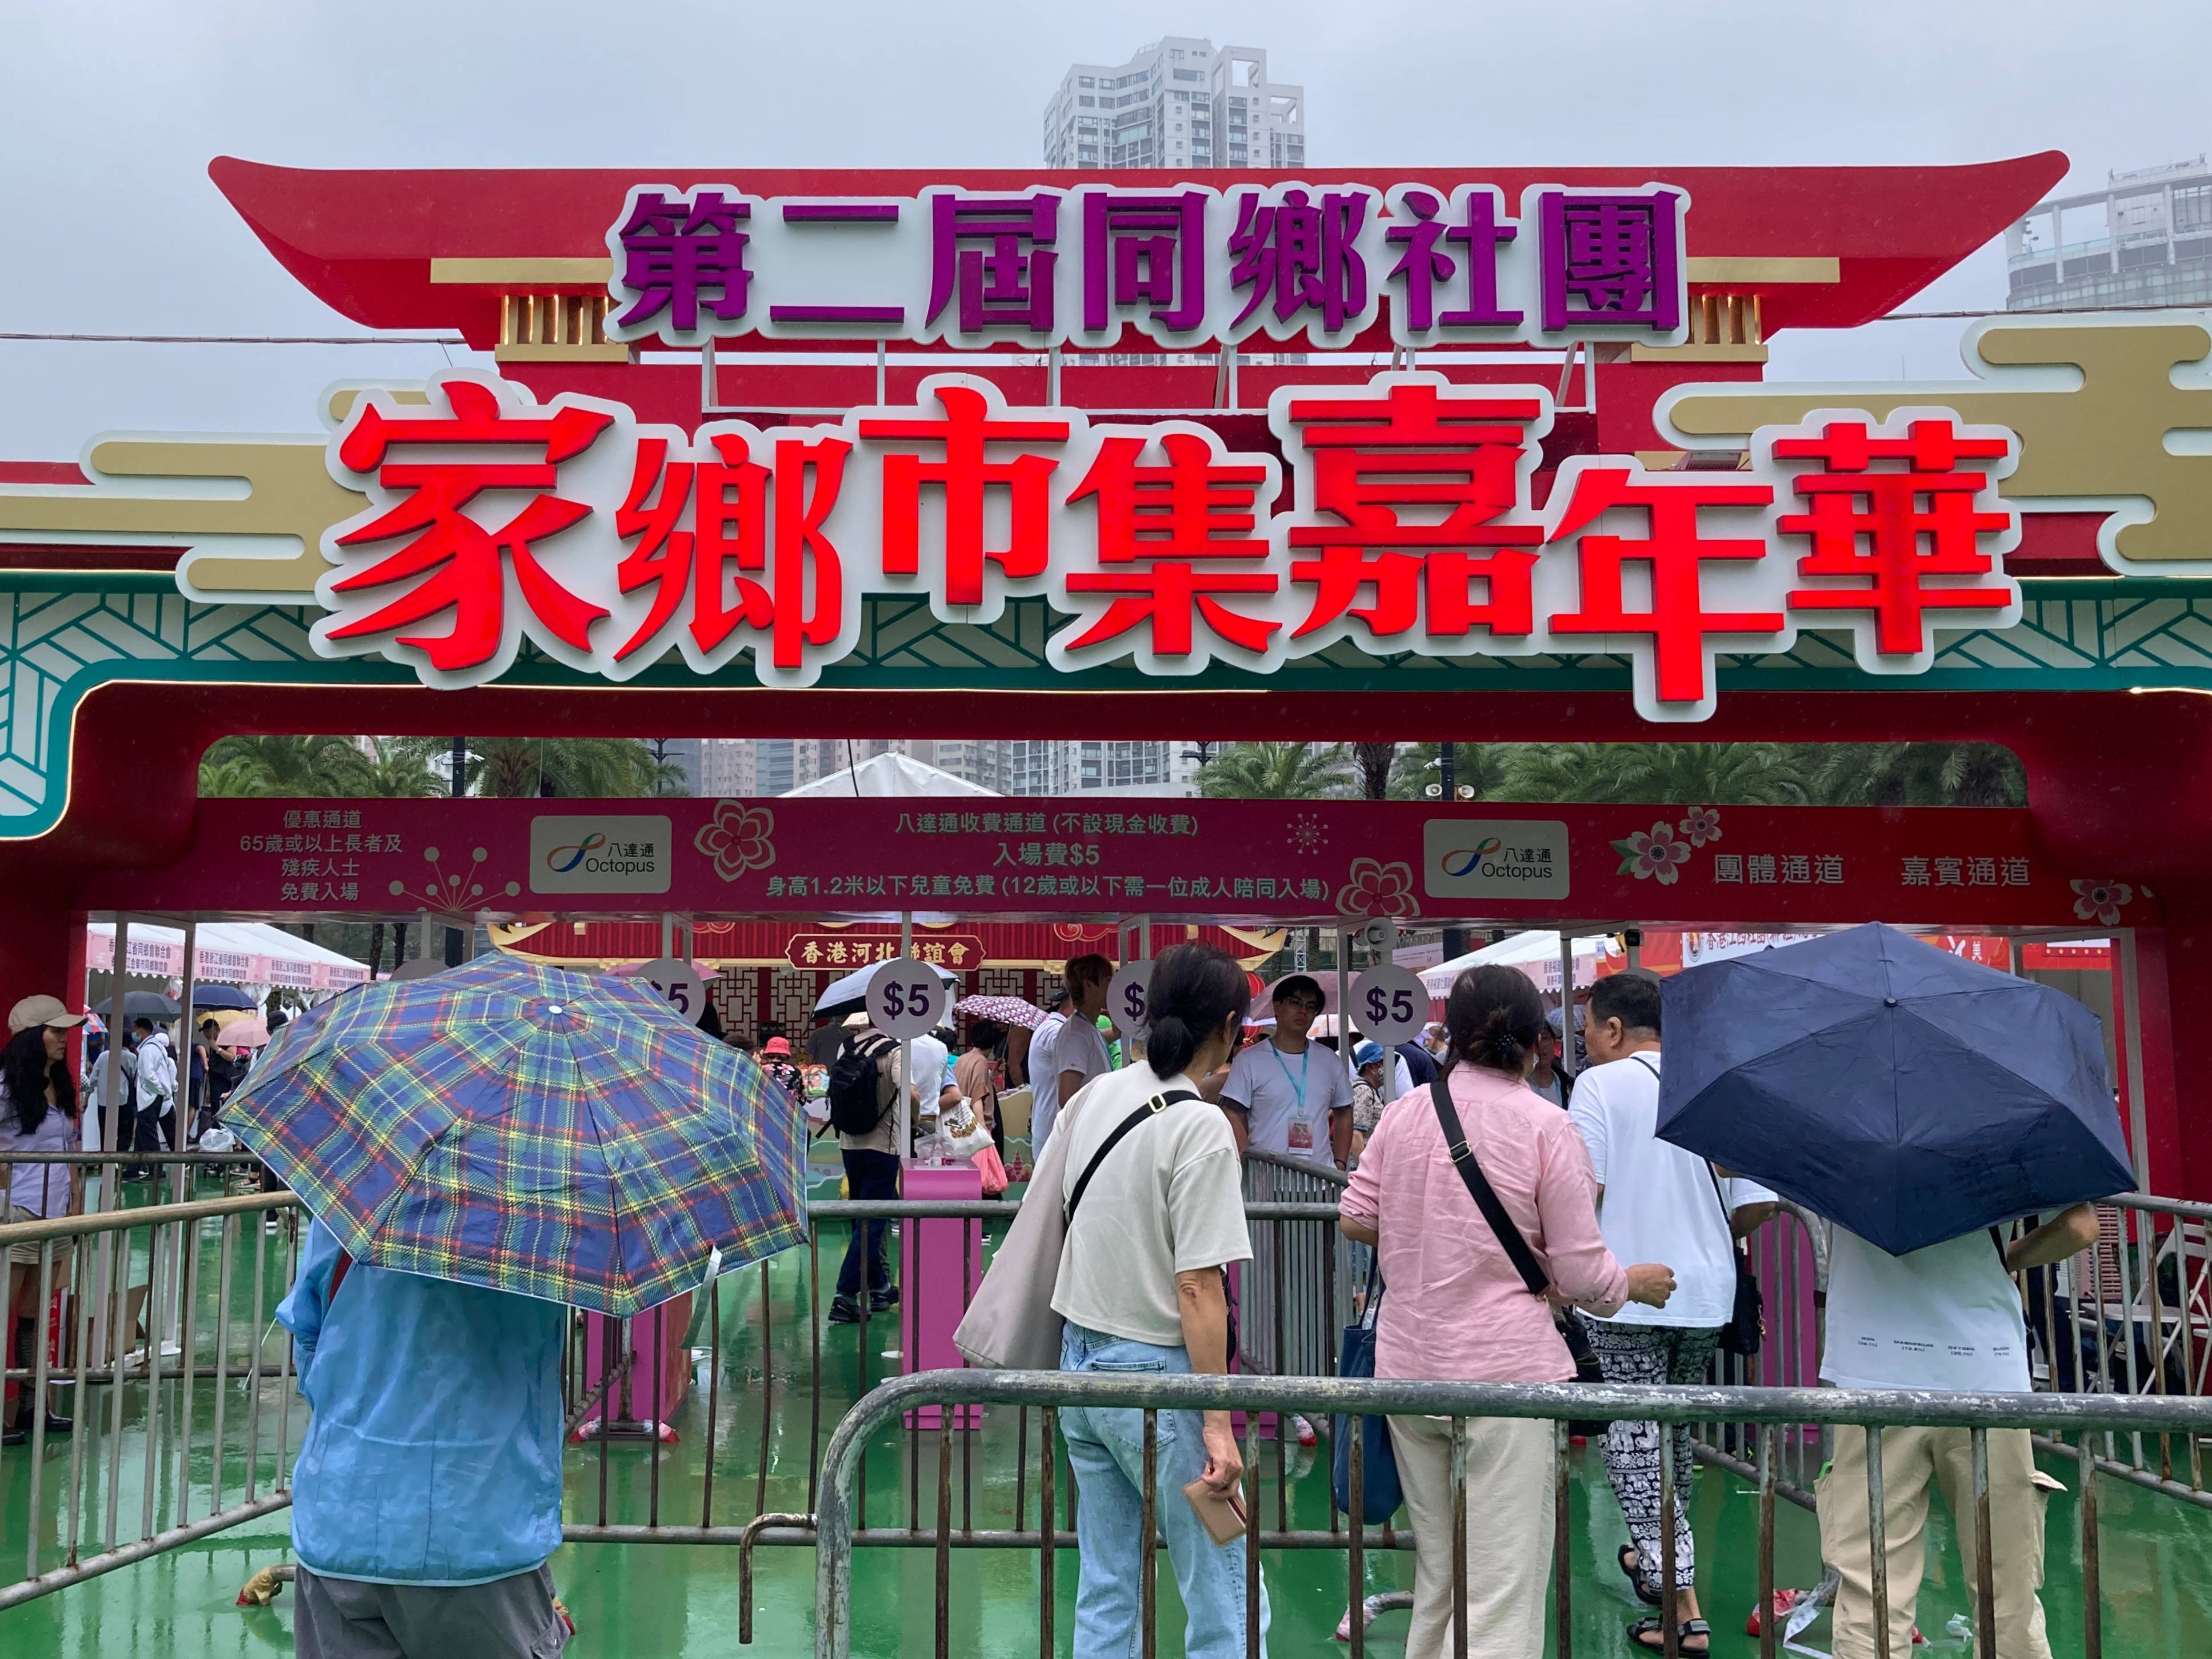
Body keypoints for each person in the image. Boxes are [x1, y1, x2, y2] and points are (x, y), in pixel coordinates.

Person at [1338, 965, 1677, 1659]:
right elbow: (1581, 1274)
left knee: (1440, 1570)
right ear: (1535, 1042)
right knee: (1499, 1583)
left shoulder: (1405, 1113)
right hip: (1508, 1377)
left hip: (1409, 1367)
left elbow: (1356, 1215)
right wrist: (1630, 1282)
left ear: (1451, 1034)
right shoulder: (1547, 1126)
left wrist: (1425, 1238)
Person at [1053, 942, 1265, 1659]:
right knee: (1226, 1587)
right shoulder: (1200, 1125)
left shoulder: (1096, 1094)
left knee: (1107, 1580)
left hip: (1079, 1362)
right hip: (1156, 1375)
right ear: (1230, 1025)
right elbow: (1198, 1284)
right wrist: (1217, 1423)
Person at [1567, 970, 1775, 1653]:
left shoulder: (1599, 1084)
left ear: (1613, 1028)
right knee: (1670, 1434)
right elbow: (1756, 1203)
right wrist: (1701, 1237)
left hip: (1625, 1288)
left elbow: (1584, 1192)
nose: (1585, 1042)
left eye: (1588, 1028)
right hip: (1706, 1291)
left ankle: (1679, 1600)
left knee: (1633, 1442)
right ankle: (1664, 1577)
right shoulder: (1713, 1084)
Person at [276, 1215, 571, 1658]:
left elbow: (308, 1331)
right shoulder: (547, 1213)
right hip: (480, 1526)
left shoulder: (357, 1196)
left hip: (342, 1520)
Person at [1815, 1204, 2098, 1659]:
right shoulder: (2002, 1153)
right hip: (1984, 1373)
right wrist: (2006, 1256)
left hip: (1871, 1372)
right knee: (2007, 1593)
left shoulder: (1836, 1155)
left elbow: (1734, 1168)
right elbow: (2079, 1227)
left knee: (1871, 1593)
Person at [2, 995, 86, 1445]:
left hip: (56, 1212)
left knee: (35, 1311)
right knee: (4, 1309)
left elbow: (68, 1146)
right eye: (56, 1031)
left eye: (65, 1031)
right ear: (33, 1037)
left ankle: (34, 1404)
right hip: (17, 1211)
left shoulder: (62, 1084)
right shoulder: (6, 1087)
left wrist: (76, 1198)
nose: (64, 1038)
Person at [1219, 974, 1355, 1169]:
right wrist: (1248, 1161)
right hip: (1267, 1175)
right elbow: (1232, 1113)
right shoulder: (1249, 1061)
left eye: (1311, 1006)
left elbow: (1345, 1111)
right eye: (1295, 1002)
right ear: (1277, 1006)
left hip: (1320, 1176)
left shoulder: (1330, 1061)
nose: (1303, 1011)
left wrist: (1340, 1163)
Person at [829, 1013, 902, 1326]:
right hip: (882, 1145)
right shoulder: (895, 1050)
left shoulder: (846, 1047)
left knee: (861, 1218)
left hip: (849, 1143)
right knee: (872, 1222)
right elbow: (909, 1091)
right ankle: (845, 1295)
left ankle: (880, 1288)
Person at [1029, 954, 1113, 1162]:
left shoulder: (1086, 1029)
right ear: (1089, 985)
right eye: (1108, 981)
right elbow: (1068, 1097)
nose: (1113, 987)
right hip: (1077, 1145)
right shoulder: (1076, 1033)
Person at [129, 1016, 179, 1172]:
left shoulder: (147, 1050)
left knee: (148, 1132)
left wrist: (159, 1090)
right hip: (157, 1096)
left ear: (142, 1030)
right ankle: (134, 1168)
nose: (134, 1033)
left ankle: (156, 1170)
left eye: (135, 1029)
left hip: (150, 1097)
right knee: (142, 1132)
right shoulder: (157, 1048)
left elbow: (148, 1076)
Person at [1350, 1040, 1391, 1160]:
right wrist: (1362, 1167)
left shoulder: (1371, 1091)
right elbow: (1356, 1135)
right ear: (1370, 1066)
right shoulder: (1364, 1091)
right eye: (1383, 1064)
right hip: (1362, 1163)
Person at [759, 1037, 805, 1109]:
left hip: (766, 1111)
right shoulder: (796, 1072)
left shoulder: (760, 1070)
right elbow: (802, 1100)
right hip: (788, 1112)